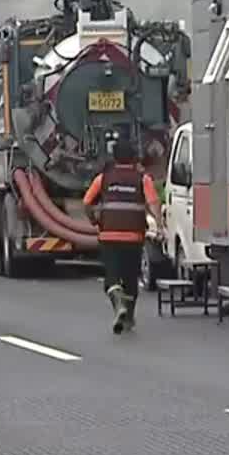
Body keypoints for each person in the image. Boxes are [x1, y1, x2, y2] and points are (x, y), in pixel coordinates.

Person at [82, 136, 162, 335]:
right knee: (130, 278)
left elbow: (86, 202)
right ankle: (129, 317)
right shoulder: (142, 179)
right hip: (134, 237)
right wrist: (159, 226)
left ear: (115, 157)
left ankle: (119, 304)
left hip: (108, 235)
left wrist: (94, 219)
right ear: (134, 158)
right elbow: (154, 203)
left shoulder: (103, 179)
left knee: (112, 277)